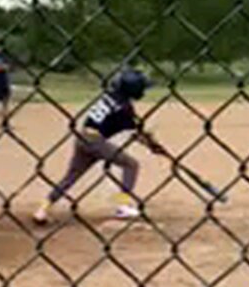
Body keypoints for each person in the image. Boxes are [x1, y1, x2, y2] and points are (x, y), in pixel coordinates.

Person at [33, 69, 165, 225]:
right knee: (131, 165)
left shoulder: (110, 96)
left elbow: (133, 129)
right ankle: (123, 205)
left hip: (82, 138)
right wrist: (152, 145)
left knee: (71, 177)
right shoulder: (125, 107)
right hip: (95, 141)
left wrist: (149, 142)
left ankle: (42, 209)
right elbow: (136, 134)